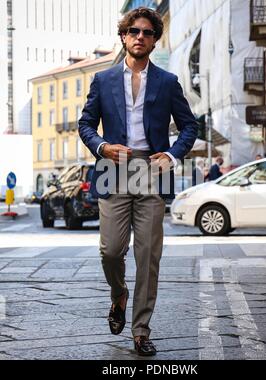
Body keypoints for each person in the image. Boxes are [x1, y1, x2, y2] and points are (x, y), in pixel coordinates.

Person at [78, 7, 197, 356]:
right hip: (114, 166)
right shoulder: (103, 81)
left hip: (152, 170)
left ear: (154, 38)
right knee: (111, 250)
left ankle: (141, 330)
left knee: (148, 256)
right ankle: (119, 294)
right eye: (133, 31)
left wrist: (172, 155)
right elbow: (85, 124)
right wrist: (101, 146)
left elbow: (190, 126)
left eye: (147, 32)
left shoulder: (168, 82)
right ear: (124, 36)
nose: (139, 36)